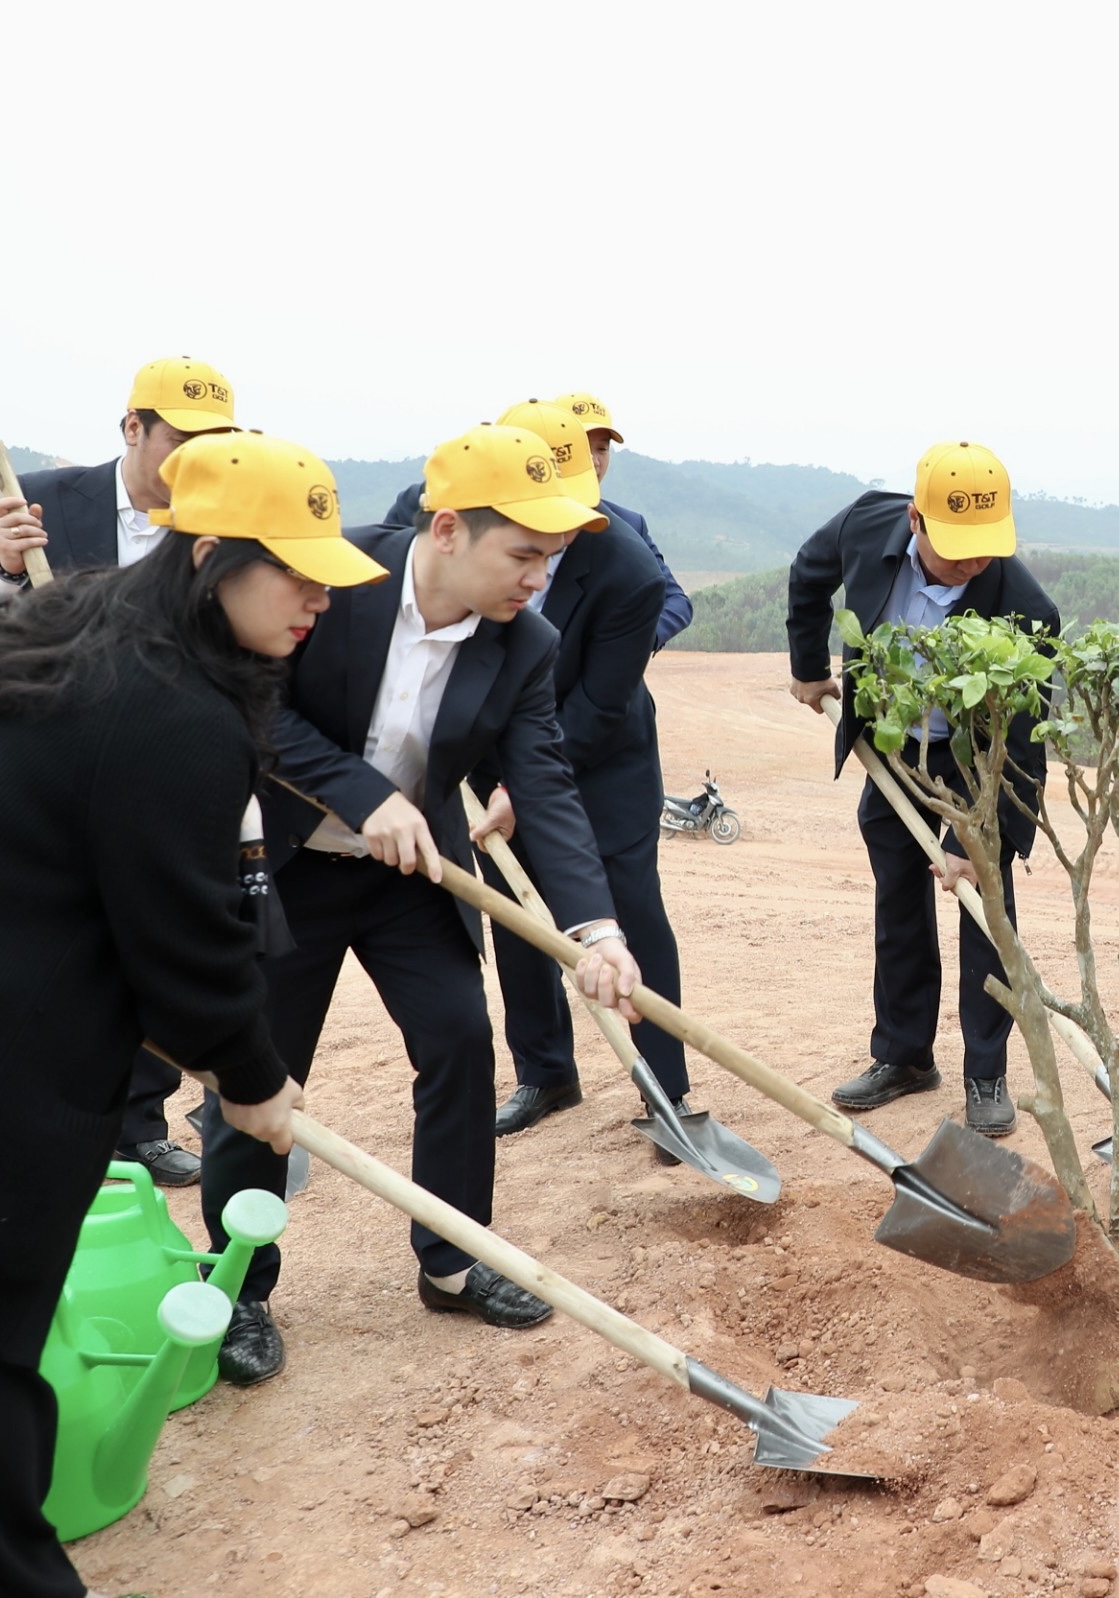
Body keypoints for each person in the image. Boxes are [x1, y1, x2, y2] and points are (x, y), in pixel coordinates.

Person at [0, 431, 358, 1596]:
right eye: (288, 569)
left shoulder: (75, 620)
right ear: (205, 554)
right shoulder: (172, 707)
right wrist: (253, 1077)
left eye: (323, 573)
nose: (313, 598)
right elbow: (186, 940)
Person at [198, 422, 642, 1386]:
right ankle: (240, 1285)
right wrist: (365, 794)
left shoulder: (525, 644)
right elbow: (258, 706)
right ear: (448, 532)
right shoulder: (329, 582)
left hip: (411, 878)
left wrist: (597, 931)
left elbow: (548, 786)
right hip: (287, 866)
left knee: (459, 1041)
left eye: (553, 558)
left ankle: (450, 1257)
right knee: (257, 1077)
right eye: (524, 554)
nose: (539, 578)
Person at [0, 355, 244, 1189]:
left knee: (146, 942)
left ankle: (141, 1125)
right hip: (49, 769)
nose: (196, 458)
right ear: (134, 428)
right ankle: (44, 1128)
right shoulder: (41, 500)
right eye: (182, 438)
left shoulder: (220, 512)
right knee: (53, 951)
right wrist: (3, 570)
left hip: (160, 771)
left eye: (215, 441)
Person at [784, 441, 1061, 1137]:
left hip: (977, 761)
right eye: (958, 546)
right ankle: (905, 1055)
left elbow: (1022, 744)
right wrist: (809, 665)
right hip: (895, 747)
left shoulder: (1026, 609)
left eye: (986, 547)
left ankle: (986, 1070)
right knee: (899, 904)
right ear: (916, 521)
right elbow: (808, 575)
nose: (974, 563)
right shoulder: (863, 527)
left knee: (984, 910)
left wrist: (978, 838)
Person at [451, 400, 687, 1142]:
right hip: (492, 756)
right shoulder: (453, 533)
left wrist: (524, 787)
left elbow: (602, 702)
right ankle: (545, 1074)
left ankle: (666, 1090)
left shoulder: (627, 567)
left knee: (629, 918)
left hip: (603, 760)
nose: (552, 542)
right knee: (519, 919)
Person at [384, 389, 692, 650]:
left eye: (601, 449)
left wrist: (629, 639)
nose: (595, 461)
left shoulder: (624, 534)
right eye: (579, 449)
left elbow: (673, 600)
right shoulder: (437, 503)